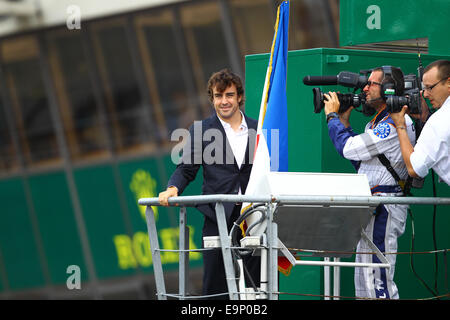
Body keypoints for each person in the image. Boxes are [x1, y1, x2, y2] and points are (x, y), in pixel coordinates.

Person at [158, 69, 260, 299]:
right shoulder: (201, 130)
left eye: (230, 95)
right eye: (218, 96)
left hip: (253, 213)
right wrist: (173, 188)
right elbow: (186, 168)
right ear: (212, 99)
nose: (224, 101)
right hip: (217, 215)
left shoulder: (258, 127)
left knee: (255, 282)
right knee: (215, 284)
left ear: (239, 97)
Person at [323, 66, 416, 299]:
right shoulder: (376, 123)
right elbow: (363, 163)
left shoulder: (393, 122)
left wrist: (332, 117)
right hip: (373, 204)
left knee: (378, 278)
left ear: (388, 89)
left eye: (371, 84)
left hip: (386, 204)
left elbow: (348, 148)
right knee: (365, 280)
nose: (364, 88)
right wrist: (343, 122)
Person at [390, 59, 450, 186]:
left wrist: (400, 126)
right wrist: (426, 117)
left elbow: (414, 168)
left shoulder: (440, 120)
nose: (426, 94)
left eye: (430, 88)